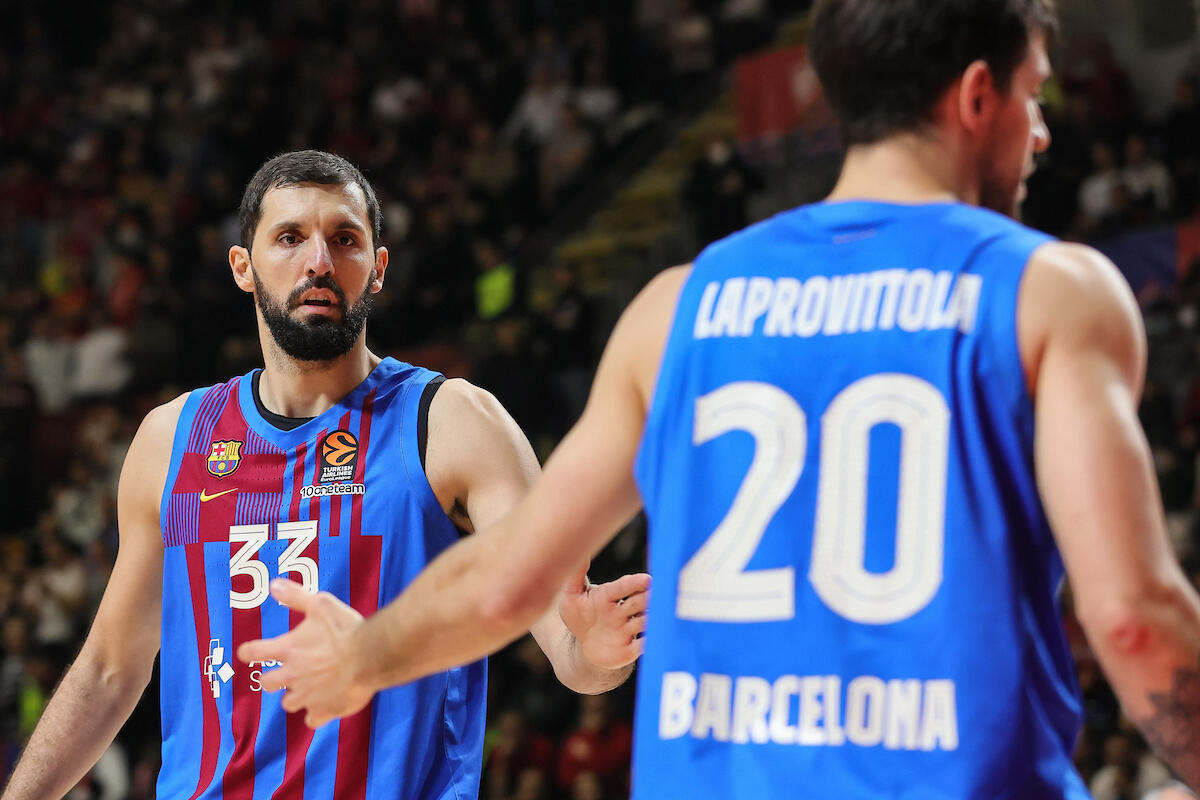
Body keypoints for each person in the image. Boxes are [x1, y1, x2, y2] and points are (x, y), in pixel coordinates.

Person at [240, 1, 1200, 797]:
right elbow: (1132, 617)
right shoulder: (1046, 293)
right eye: (1035, 94)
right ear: (978, 95)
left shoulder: (676, 309)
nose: (1042, 131)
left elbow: (509, 577)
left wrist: (362, 658)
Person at [0, 150, 649, 800]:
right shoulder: (171, 441)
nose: (319, 261)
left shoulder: (453, 423)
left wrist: (596, 651)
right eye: (290, 238)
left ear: (378, 269)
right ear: (243, 267)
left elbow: (568, 648)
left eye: (345, 239)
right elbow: (109, 670)